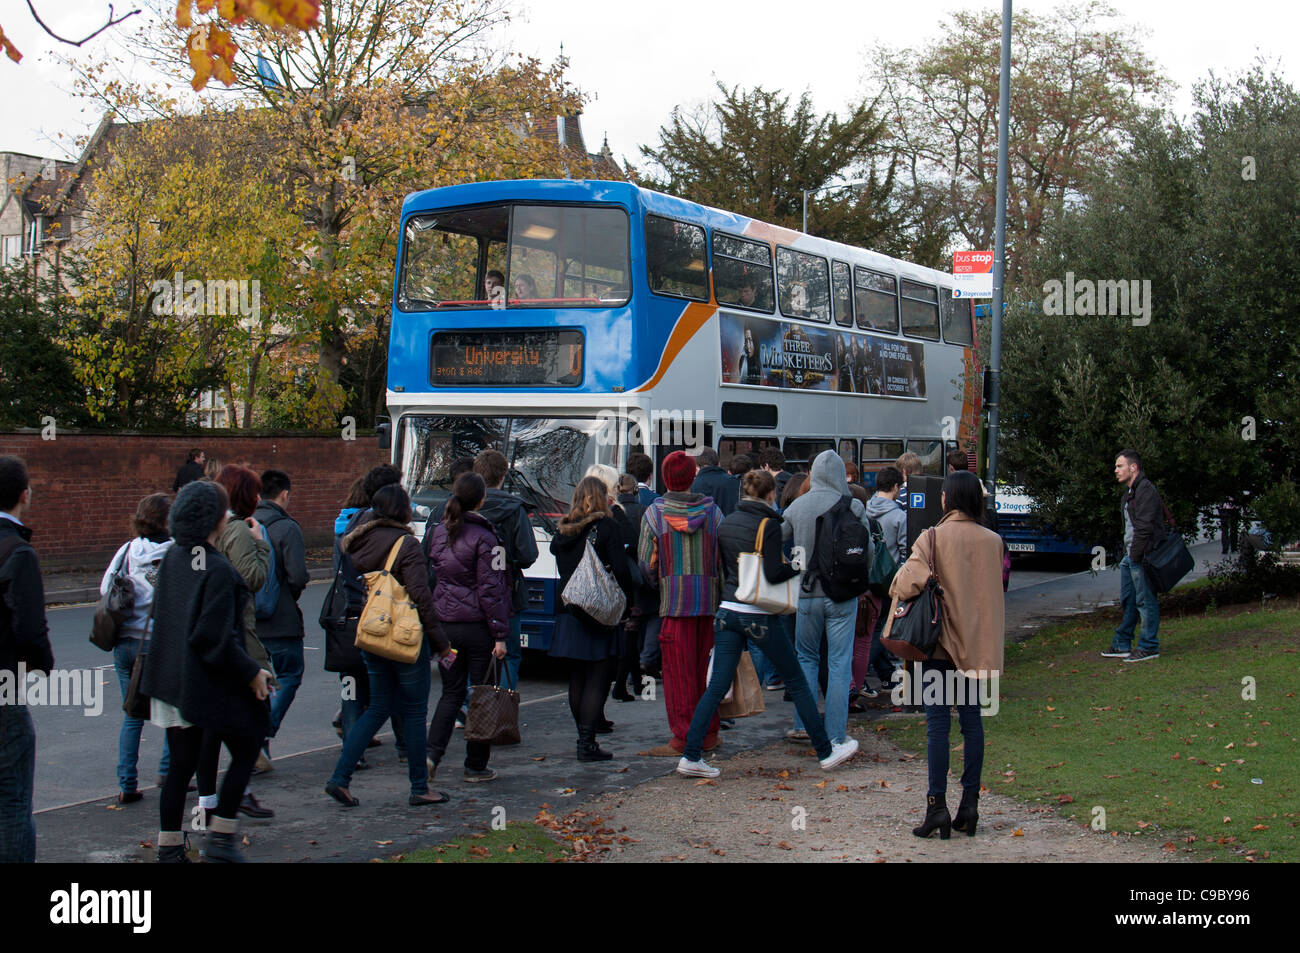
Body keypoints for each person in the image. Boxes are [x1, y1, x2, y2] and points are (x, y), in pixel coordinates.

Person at [676, 470, 860, 778]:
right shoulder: (769, 525)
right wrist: (798, 567)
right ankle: (826, 751)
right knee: (798, 680)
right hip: (758, 613)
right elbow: (774, 573)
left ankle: (691, 755)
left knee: (717, 686)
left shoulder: (726, 522)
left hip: (728, 610)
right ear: (771, 494)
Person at [142, 481, 272, 862]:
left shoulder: (175, 558)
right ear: (215, 519)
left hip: (169, 683)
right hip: (201, 686)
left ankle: (169, 849)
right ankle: (220, 837)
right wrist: (252, 671)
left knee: (181, 765)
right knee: (249, 744)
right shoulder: (215, 568)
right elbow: (211, 636)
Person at [885, 471, 1004, 839]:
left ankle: (937, 806)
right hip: (975, 646)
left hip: (939, 645)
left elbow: (904, 584)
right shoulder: (994, 541)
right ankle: (970, 804)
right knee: (973, 724)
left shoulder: (932, 538)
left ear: (948, 499)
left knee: (938, 726)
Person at [329, 484, 453, 806]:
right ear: (401, 511)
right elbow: (421, 596)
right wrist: (441, 643)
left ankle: (340, 778)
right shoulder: (405, 544)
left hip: (372, 634)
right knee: (413, 712)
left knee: (377, 709)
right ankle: (419, 788)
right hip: (404, 635)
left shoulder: (359, 542)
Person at [780, 450, 874, 749]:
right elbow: (868, 550)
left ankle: (802, 725)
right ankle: (836, 733)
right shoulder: (854, 506)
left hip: (806, 593)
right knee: (839, 662)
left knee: (805, 658)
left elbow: (776, 537)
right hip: (843, 594)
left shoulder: (798, 506)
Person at [638, 451, 724, 756]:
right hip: (707, 601)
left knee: (678, 676)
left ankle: (684, 738)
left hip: (674, 603)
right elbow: (722, 559)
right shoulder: (713, 513)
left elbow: (646, 565)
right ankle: (709, 732)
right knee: (705, 673)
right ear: (692, 476)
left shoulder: (654, 513)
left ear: (665, 478)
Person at [425, 473, 510, 782]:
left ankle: (431, 754)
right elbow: (492, 589)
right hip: (477, 627)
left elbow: (433, 576)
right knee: (482, 695)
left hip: (446, 625)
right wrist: (500, 634)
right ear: (481, 499)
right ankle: (475, 765)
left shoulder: (438, 533)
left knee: (450, 693)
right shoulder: (487, 537)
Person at [550, 476, 638, 760]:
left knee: (576, 678)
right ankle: (587, 743)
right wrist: (627, 604)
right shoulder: (608, 527)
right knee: (598, 676)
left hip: (568, 605)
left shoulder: (563, 531)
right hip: (598, 608)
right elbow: (622, 570)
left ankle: (582, 737)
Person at [207, 465, 277, 818]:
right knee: (256, 709)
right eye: (255, 491)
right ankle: (238, 790)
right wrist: (262, 546)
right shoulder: (238, 531)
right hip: (240, 633)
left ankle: (216, 799)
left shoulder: (211, 531)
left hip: (218, 637)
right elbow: (252, 578)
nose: (259, 498)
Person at [102, 494, 174, 804]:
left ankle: (127, 784)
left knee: (132, 716)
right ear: (167, 520)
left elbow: (107, 589)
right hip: (160, 645)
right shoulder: (176, 552)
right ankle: (169, 774)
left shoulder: (127, 551)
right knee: (173, 713)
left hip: (126, 645)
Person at [0, 456, 53, 863]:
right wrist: (42, 667)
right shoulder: (18, 553)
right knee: (14, 798)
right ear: (24, 495)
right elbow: (31, 632)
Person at [254, 469, 309, 761]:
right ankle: (262, 734)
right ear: (284, 495)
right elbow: (298, 576)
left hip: (250, 622)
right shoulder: (288, 529)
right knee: (289, 675)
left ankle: (258, 743)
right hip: (282, 620)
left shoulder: (243, 525)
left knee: (256, 681)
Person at [472, 450, 539, 692]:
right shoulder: (514, 510)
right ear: (503, 476)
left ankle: (470, 705)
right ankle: (499, 707)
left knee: (473, 655)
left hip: (468, 594)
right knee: (509, 655)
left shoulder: (460, 507)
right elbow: (529, 555)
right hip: (507, 592)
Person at [1102, 450, 1168, 662]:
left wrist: (1136, 555)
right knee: (1129, 599)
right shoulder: (1131, 492)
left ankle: (1149, 646)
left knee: (1145, 600)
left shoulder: (1146, 490)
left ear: (1133, 467)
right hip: (1131, 555)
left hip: (1141, 555)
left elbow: (1144, 527)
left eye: (1120, 466)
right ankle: (1122, 642)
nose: (1116, 470)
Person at [864, 467, 907, 693]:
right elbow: (904, 551)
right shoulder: (899, 516)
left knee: (871, 628)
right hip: (888, 580)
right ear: (896, 487)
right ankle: (859, 675)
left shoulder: (864, 509)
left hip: (866, 577)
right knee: (881, 631)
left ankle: (886, 676)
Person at [624, 452, 662, 679]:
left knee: (633, 618)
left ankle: (631, 668)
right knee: (654, 613)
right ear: (650, 475)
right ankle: (646, 660)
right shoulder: (656, 501)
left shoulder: (617, 503)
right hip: (649, 566)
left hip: (628, 571)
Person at [689, 447, 739, 516]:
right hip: (730, 525)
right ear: (719, 464)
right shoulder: (734, 481)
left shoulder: (692, 485)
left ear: (696, 468)